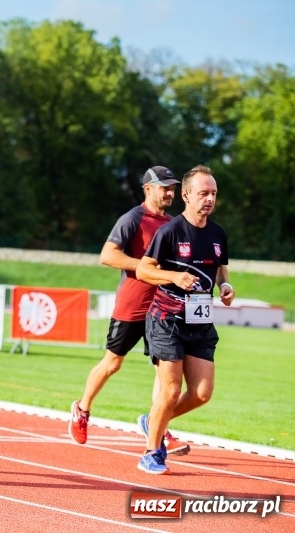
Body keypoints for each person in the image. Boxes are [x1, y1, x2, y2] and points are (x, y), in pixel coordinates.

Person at [69, 166, 190, 455]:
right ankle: (82, 408)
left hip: (163, 308)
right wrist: (145, 267)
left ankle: (157, 426)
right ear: (147, 189)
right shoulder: (133, 219)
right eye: (164, 187)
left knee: (165, 372)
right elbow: (107, 256)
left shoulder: (174, 224)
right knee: (112, 363)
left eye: (172, 187)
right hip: (132, 306)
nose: (170, 192)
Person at [135, 165, 234, 474]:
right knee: (170, 391)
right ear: (187, 195)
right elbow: (143, 270)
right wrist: (174, 277)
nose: (209, 199)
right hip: (167, 320)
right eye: (203, 193)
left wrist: (225, 286)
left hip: (200, 320)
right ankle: (152, 452)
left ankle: (154, 420)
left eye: (214, 194)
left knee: (202, 393)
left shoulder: (218, 234)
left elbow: (220, 268)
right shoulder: (170, 231)